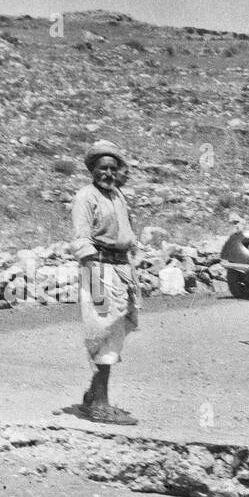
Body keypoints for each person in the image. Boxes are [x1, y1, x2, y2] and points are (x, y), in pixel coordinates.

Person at [71, 142, 140, 425]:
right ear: (92, 170)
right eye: (103, 168)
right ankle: (100, 404)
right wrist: (95, 277)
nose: (108, 173)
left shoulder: (116, 196)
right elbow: (81, 238)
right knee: (102, 332)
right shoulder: (85, 197)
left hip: (120, 268)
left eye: (113, 168)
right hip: (97, 268)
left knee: (115, 332)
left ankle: (94, 395)